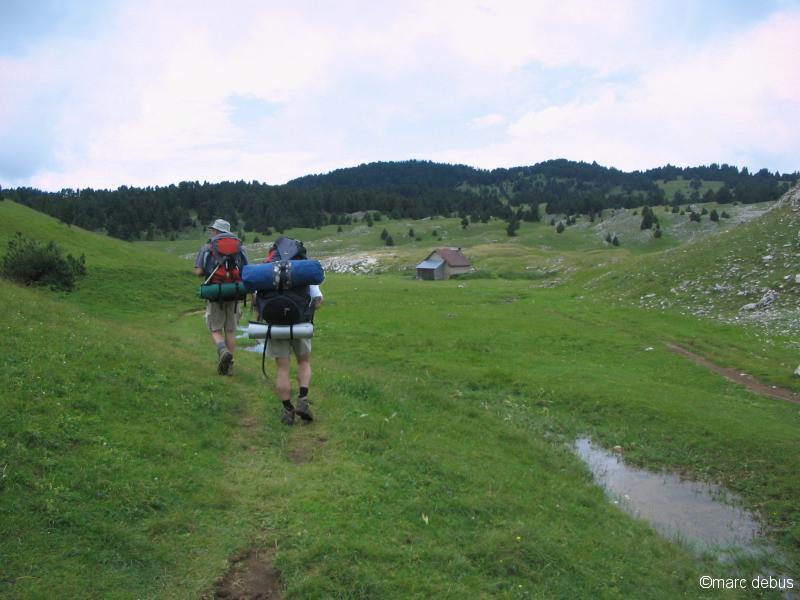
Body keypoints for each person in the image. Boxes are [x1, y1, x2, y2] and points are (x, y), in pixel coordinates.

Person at [194, 218, 248, 375]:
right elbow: (247, 269)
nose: (212, 232)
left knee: (215, 329)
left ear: (217, 231)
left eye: (213, 230)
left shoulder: (208, 247)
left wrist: (202, 272)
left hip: (215, 293)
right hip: (235, 293)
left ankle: (223, 350)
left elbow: (199, 271)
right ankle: (229, 367)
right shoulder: (240, 247)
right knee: (230, 331)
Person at [264, 283, 323, 425]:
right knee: (304, 362)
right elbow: (318, 302)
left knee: (282, 369)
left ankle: (287, 410)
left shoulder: (270, 272)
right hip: (300, 325)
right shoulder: (303, 273)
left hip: (276, 326)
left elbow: (257, 299)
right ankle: (303, 399)